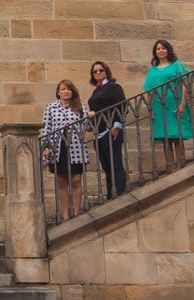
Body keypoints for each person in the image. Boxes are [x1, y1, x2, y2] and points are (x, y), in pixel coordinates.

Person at [40, 79, 91, 222]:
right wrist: (46, 147)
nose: (66, 91)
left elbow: (88, 126)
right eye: (63, 89)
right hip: (57, 147)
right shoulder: (51, 108)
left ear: (72, 92)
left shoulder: (80, 107)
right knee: (61, 182)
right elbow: (46, 129)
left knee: (76, 180)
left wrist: (90, 117)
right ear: (58, 92)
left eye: (68, 89)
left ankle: (75, 212)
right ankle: (65, 215)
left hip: (75, 145)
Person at [144, 39, 194, 171]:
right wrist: (151, 110)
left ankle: (180, 166)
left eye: (163, 48)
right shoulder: (152, 70)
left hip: (174, 104)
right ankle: (170, 167)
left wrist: (183, 104)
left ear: (168, 50)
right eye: (158, 49)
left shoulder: (176, 65)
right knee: (165, 138)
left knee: (177, 136)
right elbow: (149, 90)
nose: (161, 51)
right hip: (158, 106)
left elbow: (185, 83)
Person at [87, 61, 128, 200]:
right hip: (99, 132)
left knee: (115, 162)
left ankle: (120, 192)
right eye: (95, 71)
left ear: (106, 72)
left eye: (101, 70)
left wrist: (116, 126)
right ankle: (112, 193)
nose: (98, 73)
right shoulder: (96, 91)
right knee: (106, 165)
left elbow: (122, 106)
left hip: (110, 130)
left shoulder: (113, 87)